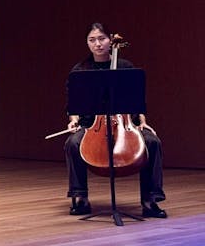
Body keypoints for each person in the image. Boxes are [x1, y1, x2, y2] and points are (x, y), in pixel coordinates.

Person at [62, 22, 166, 218]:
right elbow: (73, 103)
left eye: (102, 39)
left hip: (126, 123)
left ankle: (150, 199)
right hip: (91, 125)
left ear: (110, 41)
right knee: (72, 143)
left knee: (152, 142)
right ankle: (80, 198)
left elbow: (137, 100)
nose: (97, 44)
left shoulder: (125, 67)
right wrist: (73, 120)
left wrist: (142, 120)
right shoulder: (81, 70)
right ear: (87, 43)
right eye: (92, 40)